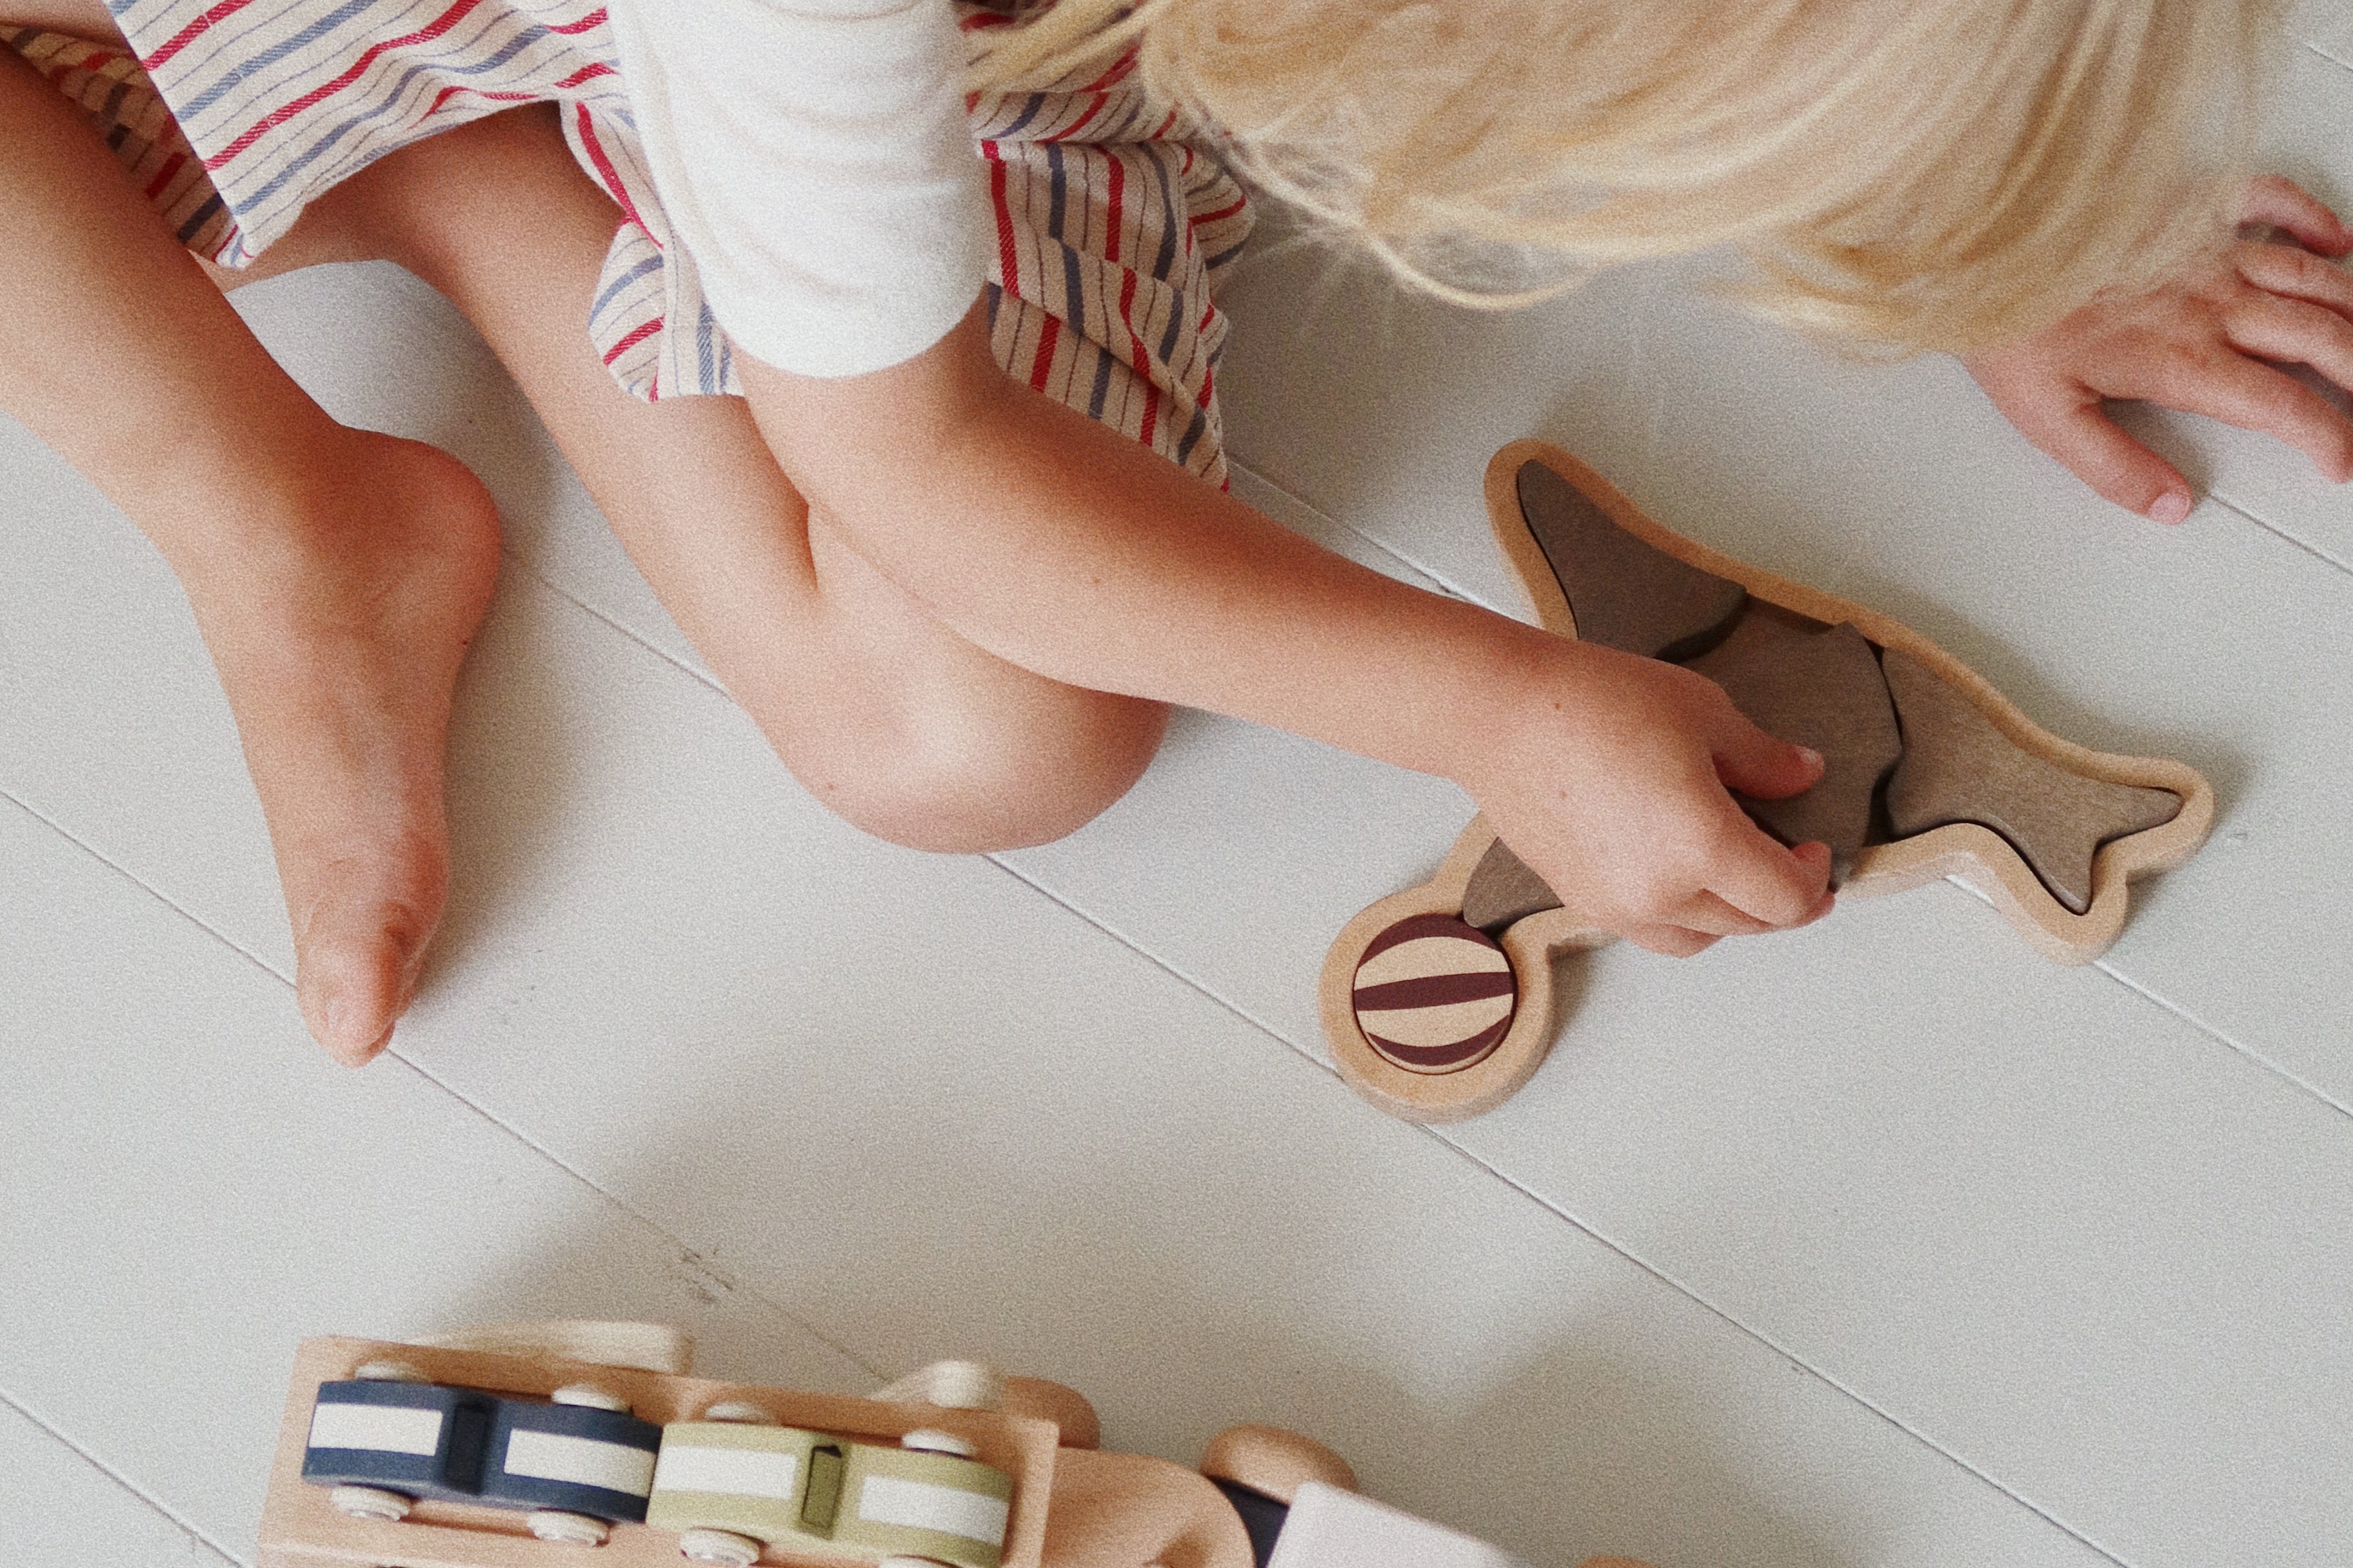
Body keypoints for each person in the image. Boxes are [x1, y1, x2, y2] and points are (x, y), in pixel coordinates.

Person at [1, 0, 2342, 1068]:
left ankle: (452, 173)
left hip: (1002, 71)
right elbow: (912, 459)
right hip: (843, 63)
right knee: (965, 745)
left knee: (971, 734)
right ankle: (268, 493)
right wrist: (1499, 707)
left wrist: (1972, 198)